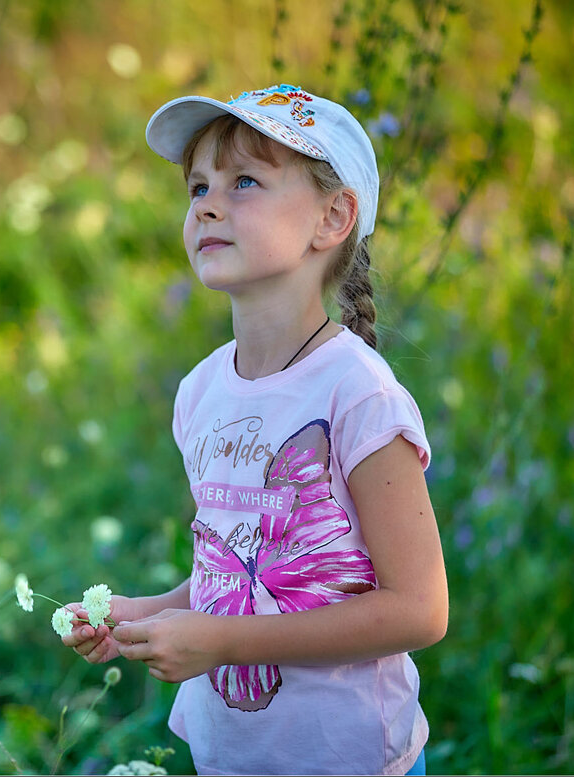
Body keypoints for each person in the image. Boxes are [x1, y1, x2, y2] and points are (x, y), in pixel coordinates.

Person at [60, 84, 448, 776]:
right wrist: (140, 616)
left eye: (244, 181)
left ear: (331, 217)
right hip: (232, 755)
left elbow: (420, 610)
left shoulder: (357, 393)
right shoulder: (202, 389)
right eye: (197, 186)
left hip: (348, 759)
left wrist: (223, 641)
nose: (207, 203)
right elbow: (240, 570)